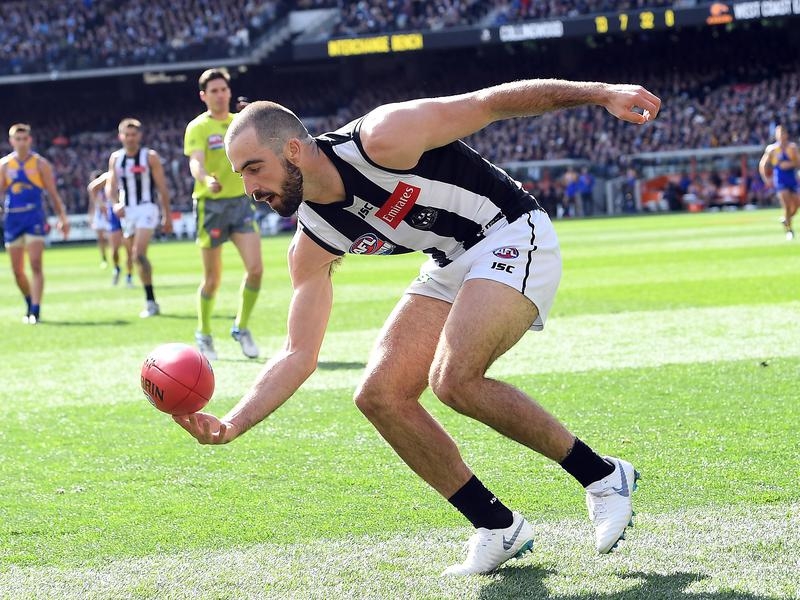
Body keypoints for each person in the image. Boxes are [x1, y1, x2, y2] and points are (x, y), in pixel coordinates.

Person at [174, 79, 661, 575]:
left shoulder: (383, 137)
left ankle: (603, 477)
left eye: (254, 168)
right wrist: (234, 422)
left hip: (510, 229)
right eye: (241, 174)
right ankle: (496, 525)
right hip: (449, 261)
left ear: (293, 151)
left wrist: (601, 93)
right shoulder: (313, 239)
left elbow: (488, 104)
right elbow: (298, 353)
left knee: (454, 379)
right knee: (379, 396)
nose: (250, 189)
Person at [184, 68, 263, 360]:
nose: (220, 95)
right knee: (213, 278)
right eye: (214, 91)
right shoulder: (198, 127)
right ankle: (204, 333)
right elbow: (196, 161)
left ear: (229, 92)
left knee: (256, 269)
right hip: (211, 206)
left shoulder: (238, 123)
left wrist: (252, 118)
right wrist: (206, 179)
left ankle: (241, 327)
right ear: (203, 96)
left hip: (240, 203)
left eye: (223, 89)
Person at [0, 123, 70, 324]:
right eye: (17, 139)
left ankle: (36, 311)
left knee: (35, 264)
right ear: (11, 141)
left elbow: (53, 193)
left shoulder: (40, 164)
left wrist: (62, 218)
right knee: (17, 271)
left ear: (30, 140)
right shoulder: (5, 165)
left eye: (24, 139)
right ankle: (29, 302)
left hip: (34, 218)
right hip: (13, 219)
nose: (21, 142)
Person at [105, 118, 172, 318]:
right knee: (134, 257)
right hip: (127, 211)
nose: (130, 138)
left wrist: (167, 215)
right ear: (121, 137)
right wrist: (115, 204)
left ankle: (150, 301)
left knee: (138, 253)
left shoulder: (150, 157)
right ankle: (151, 300)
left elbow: (162, 187)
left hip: (147, 208)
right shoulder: (116, 158)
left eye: (134, 134)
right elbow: (110, 185)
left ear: (140, 136)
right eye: (127, 135)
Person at [87, 169, 134, 286]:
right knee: (115, 249)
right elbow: (92, 188)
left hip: (129, 212)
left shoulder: (130, 172)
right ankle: (116, 268)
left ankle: (129, 276)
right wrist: (101, 205)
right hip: (114, 214)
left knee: (129, 249)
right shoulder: (110, 175)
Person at [759, 124, 799, 240]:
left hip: (792, 178)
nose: (781, 136)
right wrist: (766, 178)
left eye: (782, 133)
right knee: (786, 205)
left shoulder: (792, 148)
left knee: (796, 204)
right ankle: (789, 230)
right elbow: (763, 164)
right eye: (778, 134)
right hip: (780, 180)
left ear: (786, 135)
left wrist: (789, 164)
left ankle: (786, 219)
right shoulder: (772, 149)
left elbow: (798, 162)